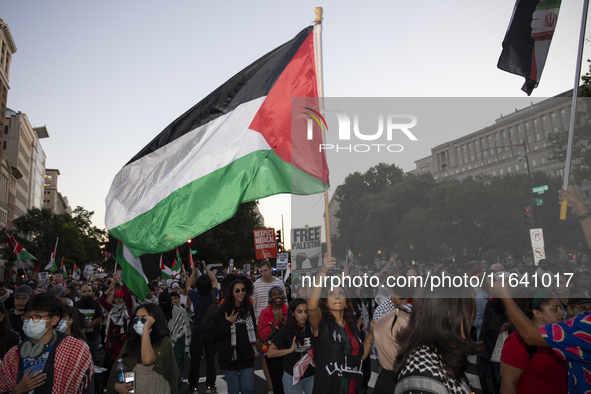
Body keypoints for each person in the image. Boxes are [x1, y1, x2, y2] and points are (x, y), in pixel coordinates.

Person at [0, 293, 94, 394]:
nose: (31, 321)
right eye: (27, 317)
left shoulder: (75, 350)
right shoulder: (13, 354)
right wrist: (17, 391)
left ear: (54, 320)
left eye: (37, 316)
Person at [308, 253, 375, 394]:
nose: (337, 296)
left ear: (346, 302)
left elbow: (361, 355)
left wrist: (371, 334)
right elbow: (312, 306)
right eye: (331, 294)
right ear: (325, 301)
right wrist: (323, 271)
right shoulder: (322, 325)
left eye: (340, 293)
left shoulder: (352, 328)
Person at [392, 285, 478, 394]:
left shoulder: (439, 354)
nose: (472, 317)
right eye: (469, 311)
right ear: (447, 315)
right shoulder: (423, 374)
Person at [500, 288, 567, 394]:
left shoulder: (561, 335)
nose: (562, 313)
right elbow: (508, 384)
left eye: (560, 308)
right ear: (537, 313)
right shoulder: (518, 340)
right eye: (555, 309)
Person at [106, 303, 179, 394]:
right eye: (137, 319)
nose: (139, 322)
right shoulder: (130, 343)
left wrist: (145, 331)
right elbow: (115, 373)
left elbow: (147, 360)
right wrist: (116, 386)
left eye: (144, 319)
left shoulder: (164, 342)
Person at [213, 278, 257, 394]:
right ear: (231, 293)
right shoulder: (224, 310)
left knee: (248, 389)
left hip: (246, 355)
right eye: (237, 291)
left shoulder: (248, 307)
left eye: (243, 290)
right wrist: (227, 323)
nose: (241, 293)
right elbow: (216, 334)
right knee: (233, 391)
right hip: (229, 357)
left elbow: (254, 329)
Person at [267, 298, 315, 394]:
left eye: (306, 312)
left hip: (311, 376)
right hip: (292, 377)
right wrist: (289, 350)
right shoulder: (286, 330)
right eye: (299, 312)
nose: (303, 315)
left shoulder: (313, 328)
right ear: (293, 313)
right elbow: (270, 353)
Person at [253, 259, 286, 392]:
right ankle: (271, 385)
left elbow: (286, 302)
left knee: (282, 354)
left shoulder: (279, 283)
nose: (264, 274)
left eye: (266, 270)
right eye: (261, 271)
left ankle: (282, 382)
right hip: (262, 326)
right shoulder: (256, 285)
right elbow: (254, 307)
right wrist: (256, 330)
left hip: (281, 324)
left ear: (271, 269)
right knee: (266, 356)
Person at [186, 265, 220, 394]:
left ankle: (193, 387)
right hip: (210, 330)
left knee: (195, 358)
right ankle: (210, 386)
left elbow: (187, 286)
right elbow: (215, 281)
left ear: (197, 286)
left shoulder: (194, 295)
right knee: (210, 358)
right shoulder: (213, 294)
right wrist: (206, 268)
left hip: (197, 329)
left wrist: (194, 271)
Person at [99, 276, 133, 386]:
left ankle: (128, 388)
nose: (118, 299)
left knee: (126, 365)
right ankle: (112, 386)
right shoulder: (112, 309)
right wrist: (110, 288)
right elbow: (101, 300)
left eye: (120, 298)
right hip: (112, 343)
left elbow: (127, 294)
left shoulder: (127, 309)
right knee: (112, 365)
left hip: (125, 343)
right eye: (116, 297)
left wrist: (119, 281)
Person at [258, 285, 289, 394]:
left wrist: (283, 322)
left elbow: (294, 331)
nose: (277, 296)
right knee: (277, 383)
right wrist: (274, 324)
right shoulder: (264, 313)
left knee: (289, 381)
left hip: (288, 351)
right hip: (272, 352)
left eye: (280, 293)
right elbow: (262, 335)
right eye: (274, 294)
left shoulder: (289, 311)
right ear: (270, 297)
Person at [159, 291, 191, 394]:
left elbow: (184, 326)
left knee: (176, 367)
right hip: (162, 343)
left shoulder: (179, 311)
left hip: (177, 340)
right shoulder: (157, 312)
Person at [74, 284, 103, 363]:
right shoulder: (76, 305)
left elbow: (99, 318)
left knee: (91, 359)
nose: (87, 293)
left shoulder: (96, 304)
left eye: (89, 291)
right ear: (80, 294)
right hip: (79, 337)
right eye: (85, 292)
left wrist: (86, 327)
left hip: (92, 337)